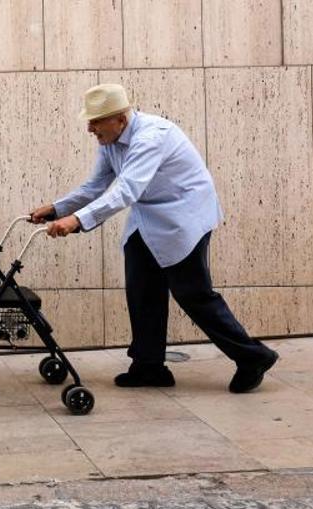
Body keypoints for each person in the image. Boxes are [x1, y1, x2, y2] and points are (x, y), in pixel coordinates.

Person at [29, 83, 279, 393]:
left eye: (96, 121)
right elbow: (94, 186)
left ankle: (253, 356)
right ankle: (149, 367)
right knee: (142, 288)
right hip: (148, 217)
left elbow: (126, 190)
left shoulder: (151, 137)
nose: (90, 128)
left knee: (193, 294)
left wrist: (77, 221)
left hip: (183, 215)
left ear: (120, 118)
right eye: (89, 121)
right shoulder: (110, 140)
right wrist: (56, 209)